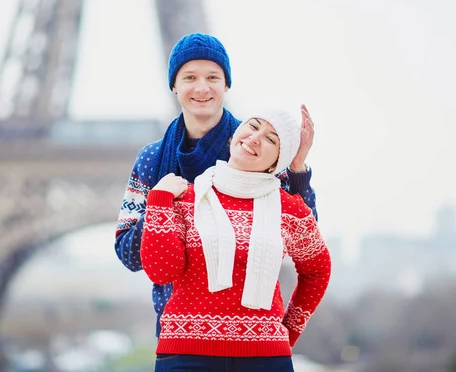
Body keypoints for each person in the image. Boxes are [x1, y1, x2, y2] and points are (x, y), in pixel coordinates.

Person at [114, 32, 319, 337]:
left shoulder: (256, 148)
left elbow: (305, 243)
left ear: (226, 84)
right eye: (189, 77)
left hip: (250, 333)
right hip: (180, 335)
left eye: (212, 77)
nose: (201, 88)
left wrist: (298, 168)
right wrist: (161, 204)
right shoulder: (153, 159)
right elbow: (129, 255)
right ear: (174, 85)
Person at [140, 109, 331, 371]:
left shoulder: (290, 210)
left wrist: (288, 332)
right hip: (185, 357)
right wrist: (159, 200)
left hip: (265, 359)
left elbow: (318, 270)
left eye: (271, 139)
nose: (255, 137)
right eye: (252, 126)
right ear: (233, 136)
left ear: (277, 162)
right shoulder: (185, 198)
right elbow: (161, 272)